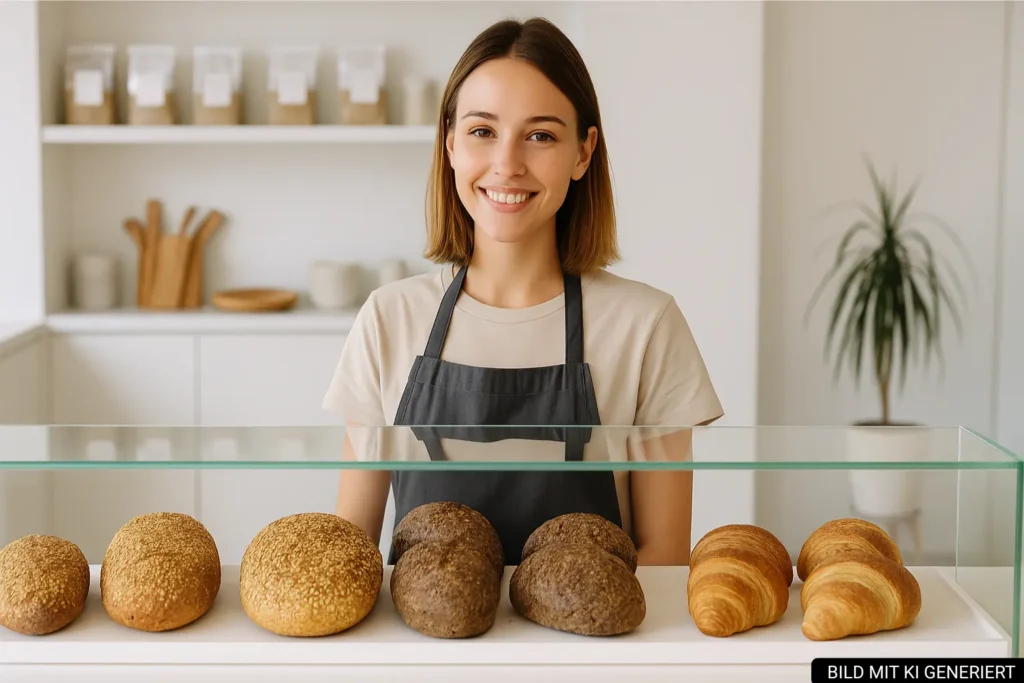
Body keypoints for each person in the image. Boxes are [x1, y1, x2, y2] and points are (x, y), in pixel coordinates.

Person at [323, 17, 723, 567]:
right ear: (450, 145)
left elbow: (664, 554)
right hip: (424, 650)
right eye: (482, 131)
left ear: (583, 153)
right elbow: (351, 553)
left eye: (541, 135)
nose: (507, 164)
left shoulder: (647, 325)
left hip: (594, 648)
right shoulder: (389, 318)